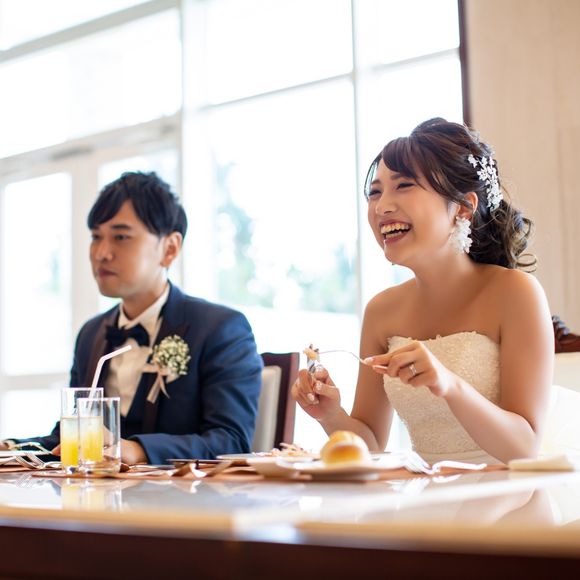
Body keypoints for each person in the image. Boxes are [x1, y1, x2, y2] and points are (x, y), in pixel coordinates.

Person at [292, 118, 554, 465]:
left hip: (507, 491)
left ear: (463, 207)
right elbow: (371, 443)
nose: (382, 207)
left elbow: (525, 447)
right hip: (423, 491)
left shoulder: (515, 293)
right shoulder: (381, 311)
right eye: (375, 192)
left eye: (404, 185)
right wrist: (331, 415)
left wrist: (449, 384)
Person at [1, 172, 263, 464]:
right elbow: (68, 439)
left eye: (121, 237)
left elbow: (231, 441)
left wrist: (136, 450)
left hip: (182, 493)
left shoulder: (220, 329)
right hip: (96, 492)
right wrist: (11, 447)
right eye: (96, 237)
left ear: (169, 248)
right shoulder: (92, 333)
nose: (101, 253)